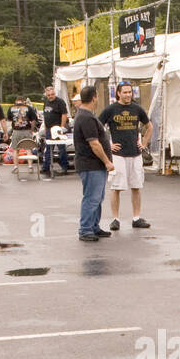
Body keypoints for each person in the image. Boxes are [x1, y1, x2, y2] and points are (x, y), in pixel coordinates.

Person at [99, 82, 152, 229]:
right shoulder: (110, 109)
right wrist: (108, 145)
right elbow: (98, 128)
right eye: (125, 92)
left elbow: (149, 126)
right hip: (118, 155)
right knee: (116, 187)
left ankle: (136, 218)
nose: (128, 95)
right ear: (118, 93)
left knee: (136, 186)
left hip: (135, 154)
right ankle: (115, 219)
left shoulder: (137, 109)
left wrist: (144, 143)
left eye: (130, 92)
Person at [73, 85, 114, 242]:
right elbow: (94, 143)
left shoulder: (84, 115)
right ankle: (85, 229)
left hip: (93, 165)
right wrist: (107, 161)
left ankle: (93, 226)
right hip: (90, 164)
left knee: (97, 197)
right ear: (94, 97)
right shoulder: (87, 117)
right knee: (92, 197)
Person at [40, 85, 71, 178]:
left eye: (52, 94)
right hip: (49, 129)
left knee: (61, 148)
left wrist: (61, 126)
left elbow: (64, 114)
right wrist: (45, 127)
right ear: (46, 94)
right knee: (48, 148)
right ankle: (46, 166)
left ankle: (64, 166)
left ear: (55, 93)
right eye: (49, 95)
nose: (51, 96)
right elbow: (45, 115)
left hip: (57, 128)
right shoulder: (46, 102)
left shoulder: (60, 102)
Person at [8, 96, 40, 165]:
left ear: (16, 101)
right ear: (24, 101)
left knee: (15, 150)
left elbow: (9, 119)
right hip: (27, 130)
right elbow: (34, 120)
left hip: (16, 131)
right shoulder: (29, 108)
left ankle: (15, 167)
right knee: (28, 149)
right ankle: (30, 166)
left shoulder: (11, 108)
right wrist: (32, 130)